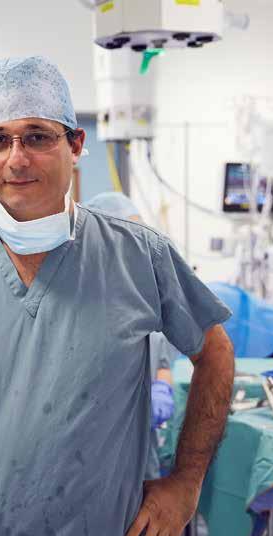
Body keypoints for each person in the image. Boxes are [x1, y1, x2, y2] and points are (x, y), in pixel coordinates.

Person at [0, 56, 234, 536]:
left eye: (37, 137)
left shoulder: (138, 256)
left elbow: (215, 352)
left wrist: (185, 484)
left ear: (75, 144)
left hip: (108, 530)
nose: (17, 159)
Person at [85, 191, 178, 480]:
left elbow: (162, 360)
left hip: (143, 454)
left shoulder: (145, 293)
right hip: (95, 454)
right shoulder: (82, 301)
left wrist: (162, 389)